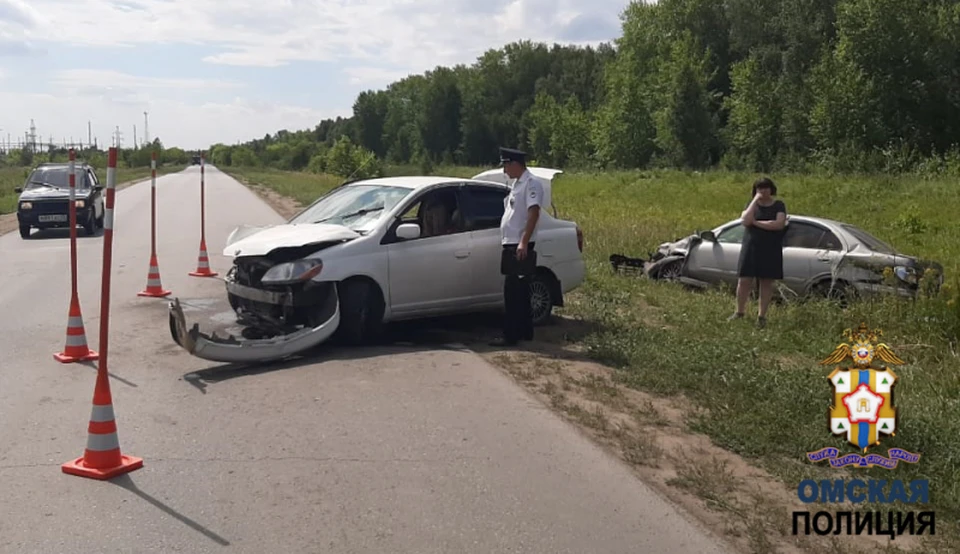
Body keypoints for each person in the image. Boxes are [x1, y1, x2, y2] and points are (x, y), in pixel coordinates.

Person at [489, 147, 544, 347]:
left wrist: (523, 241)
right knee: (520, 291)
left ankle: (510, 335)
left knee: (512, 292)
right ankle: (524, 332)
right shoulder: (517, 185)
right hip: (513, 243)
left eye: (506, 165)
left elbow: (534, 213)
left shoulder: (531, 184)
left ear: (514, 164)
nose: (504, 170)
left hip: (520, 244)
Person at [729, 177, 787, 328]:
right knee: (744, 280)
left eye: (766, 188)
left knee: (766, 282)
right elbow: (745, 220)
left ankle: (761, 316)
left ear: (771, 189)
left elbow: (778, 224)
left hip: (770, 248)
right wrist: (755, 200)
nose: (763, 191)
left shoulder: (779, 205)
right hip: (751, 247)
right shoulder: (751, 205)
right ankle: (739, 312)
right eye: (759, 188)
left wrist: (755, 223)